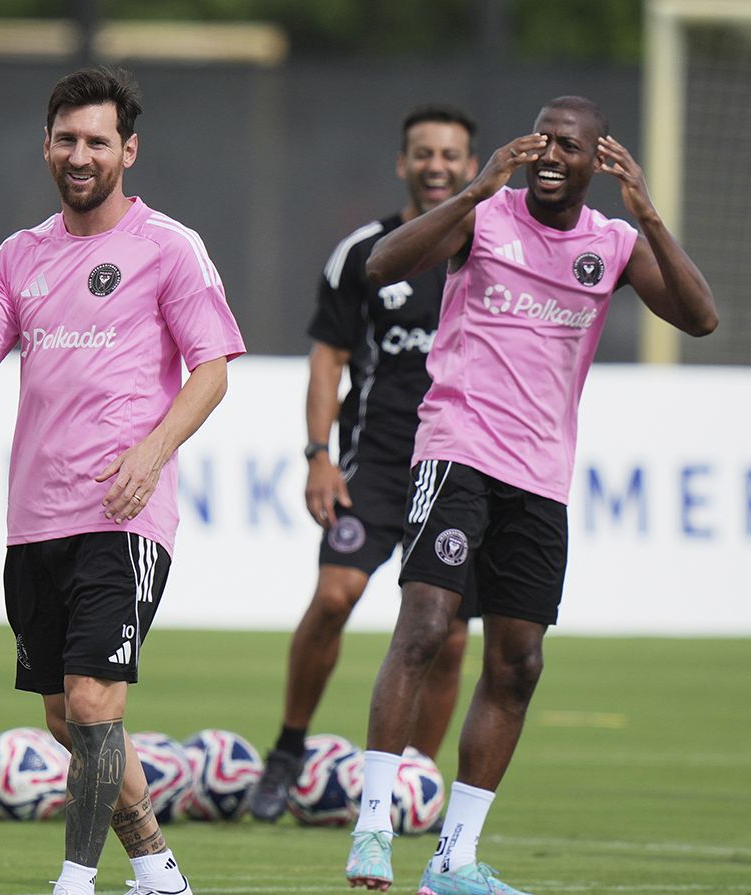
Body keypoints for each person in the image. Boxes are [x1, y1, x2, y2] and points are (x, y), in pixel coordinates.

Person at [343, 97, 718, 894]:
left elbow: (701, 318)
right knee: (426, 624)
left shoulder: (612, 244)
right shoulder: (486, 217)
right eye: (543, 140)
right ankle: (373, 827)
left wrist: (648, 214)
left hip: (540, 478)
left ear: (597, 159)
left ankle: (454, 859)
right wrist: (476, 189)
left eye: (569, 146)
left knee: (518, 663)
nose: (551, 155)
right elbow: (378, 267)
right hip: (457, 450)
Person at [0, 66, 245, 895]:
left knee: (95, 705)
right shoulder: (19, 255)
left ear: (128, 150)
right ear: (47, 147)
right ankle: (159, 870)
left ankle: (75, 881)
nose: (81, 154)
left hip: (123, 515)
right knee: (67, 718)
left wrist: (152, 451)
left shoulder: (168, 245)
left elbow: (212, 369)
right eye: (67, 140)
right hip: (35, 519)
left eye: (97, 140)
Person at [247, 105, 482, 824]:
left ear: (471, 166)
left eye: (450, 154)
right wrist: (319, 455)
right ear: (403, 163)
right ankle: (288, 749)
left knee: (448, 636)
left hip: (460, 466)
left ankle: (416, 783)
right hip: (376, 461)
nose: (436, 165)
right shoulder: (363, 253)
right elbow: (328, 360)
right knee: (334, 597)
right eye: (423, 153)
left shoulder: (493, 248)